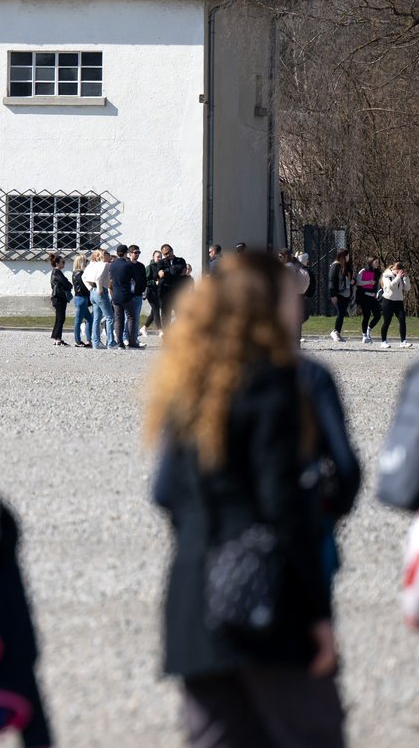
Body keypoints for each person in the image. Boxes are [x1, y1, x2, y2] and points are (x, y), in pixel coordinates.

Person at [147, 250, 344, 747]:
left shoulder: (186, 383)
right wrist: (317, 613)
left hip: (194, 596)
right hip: (267, 599)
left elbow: (165, 491)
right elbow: (283, 508)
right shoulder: (274, 384)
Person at [111, 245, 148, 350]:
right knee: (132, 317)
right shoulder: (127, 265)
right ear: (127, 252)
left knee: (118, 319)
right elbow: (133, 281)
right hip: (127, 295)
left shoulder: (112, 264)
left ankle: (120, 343)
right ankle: (132, 341)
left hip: (116, 295)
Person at [153, 244, 191, 330]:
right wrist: (174, 270)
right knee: (166, 315)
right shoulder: (161, 262)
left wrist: (167, 271)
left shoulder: (180, 260)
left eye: (167, 253)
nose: (166, 255)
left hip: (178, 291)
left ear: (172, 251)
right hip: (165, 292)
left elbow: (183, 272)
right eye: (164, 254)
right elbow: (160, 274)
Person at [83, 249, 113, 350]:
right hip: (101, 291)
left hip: (92, 292)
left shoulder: (91, 265)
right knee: (110, 317)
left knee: (96, 318)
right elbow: (99, 278)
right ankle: (110, 342)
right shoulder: (104, 265)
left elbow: (84, 277)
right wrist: (100, 288)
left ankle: (96, 342)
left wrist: (90, 288)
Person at [377, 261, 411, 347]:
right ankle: (383, 342)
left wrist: (406, 277)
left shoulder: (400, 277)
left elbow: (407, 288)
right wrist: (398, 277)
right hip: (388, 301)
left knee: (402, 320)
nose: (399, 273)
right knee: (387, 321)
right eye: (398, 271)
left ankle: (403, 341)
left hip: (398, 301)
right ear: (394, 269)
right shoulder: (386, 276)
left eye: (401, 271)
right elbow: (391, 287)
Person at [326, 249, 355, 343]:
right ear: (343, 256)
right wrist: (333, 295)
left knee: (342, 314)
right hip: (338, 294)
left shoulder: (346, 267)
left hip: (346, 294)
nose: (349, 257)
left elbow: (349, 278)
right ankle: (335, 331)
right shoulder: (335, 267)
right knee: (340, 312)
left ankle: (337, 332)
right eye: (347, 256)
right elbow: (331, 282)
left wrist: (352, 281)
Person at [48, 253, 72, 346]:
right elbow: (65, 283)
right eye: (63, 262)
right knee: (60, 318)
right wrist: (69, 285)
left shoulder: (56, 272)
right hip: (58, 297)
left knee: (60, 318)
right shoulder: (57, 272)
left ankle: (58, 337)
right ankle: (57, 338)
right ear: (57, 263)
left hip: (59, 297)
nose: (64, 264)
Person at [355, 259, 381, 345]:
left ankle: (369, 329)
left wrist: (378, 292)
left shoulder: (377, 272)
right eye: (376, 262)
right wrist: (368, 282)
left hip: (373, 296)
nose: (377, 264)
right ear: (371, 262)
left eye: (378, 262)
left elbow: (379, 283)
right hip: (365, 296)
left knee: (378, 315)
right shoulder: (364, 270)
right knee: (366, 315)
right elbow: (358, 282)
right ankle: (364, 336)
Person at [71, 256, 94, 348]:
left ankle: (88, 340)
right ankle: (77, 340)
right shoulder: (80, 274)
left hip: (79, 297)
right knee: (78, 320)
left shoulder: (75, 273)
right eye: (85, 262)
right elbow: (84, 286)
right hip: (81, 297)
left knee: (89, 319)